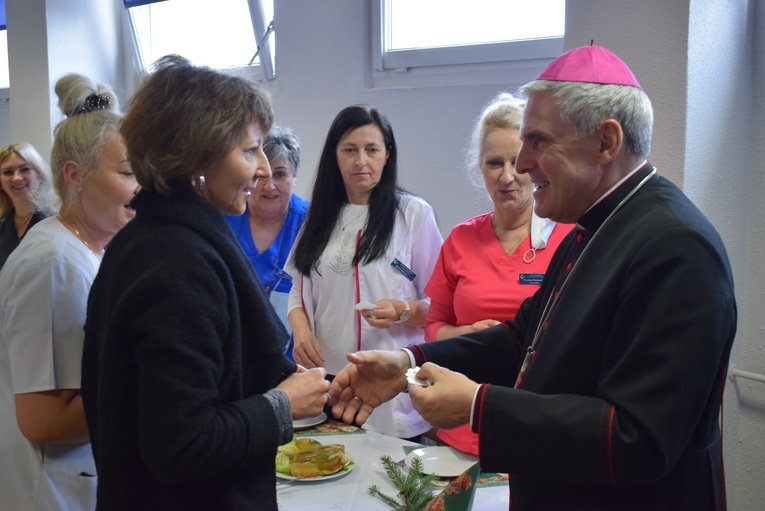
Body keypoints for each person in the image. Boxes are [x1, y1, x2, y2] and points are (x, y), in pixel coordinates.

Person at [329, 45, 736, 511]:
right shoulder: (591, 229)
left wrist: (479, 407)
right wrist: (407, 361)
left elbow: (636, 439)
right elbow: (520, 339)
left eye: (539, 141)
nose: (521, 164)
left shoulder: (675, 245)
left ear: (606, 142)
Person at [80, 55, 329, 511]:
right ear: (200, 155)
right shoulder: (178, 262)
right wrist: (281, 405)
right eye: (249, 151)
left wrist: (311, 385)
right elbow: (181, 444)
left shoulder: (149, 240)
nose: (260, 170)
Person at [0, 74, 136, 510]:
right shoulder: (53, 263)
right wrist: (151, 381)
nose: (140, 188)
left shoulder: (86, 252)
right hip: (49, 491)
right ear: (74, 175)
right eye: (128, 172)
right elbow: (44, 420)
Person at [423, 93, 572, 455]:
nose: (507, 176)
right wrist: (465, 334)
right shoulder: (460, 240)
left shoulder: (566, 239)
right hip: (458, 427)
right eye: (494, 163)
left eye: (517, 162)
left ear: (535, 165)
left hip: (532, 428)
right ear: (481, 168)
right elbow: (432, 325)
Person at [285, 104, 443, 440]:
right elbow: (298, 289)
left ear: (387, 154)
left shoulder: (412, 214)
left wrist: (403, 311)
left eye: (372, 149)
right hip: (329, 382)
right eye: (349, 150)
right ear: (334, 157)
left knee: (394, 484)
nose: (361, 161)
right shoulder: (319, 217)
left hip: (390, 384)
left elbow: (442, 306)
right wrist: (301, 333)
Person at [225, 126, 309, 359]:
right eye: (261, 175)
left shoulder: (313, 225)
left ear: (294, 178)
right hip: (232, 355)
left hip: (295, 362)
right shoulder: (224, 217)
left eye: (280, 174)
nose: (269, 185)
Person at [0, 142, 58, 269]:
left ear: (39, 174)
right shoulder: (3, 226)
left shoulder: (54, 223)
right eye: (8, 172)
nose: (16, 178)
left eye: (25, 169)